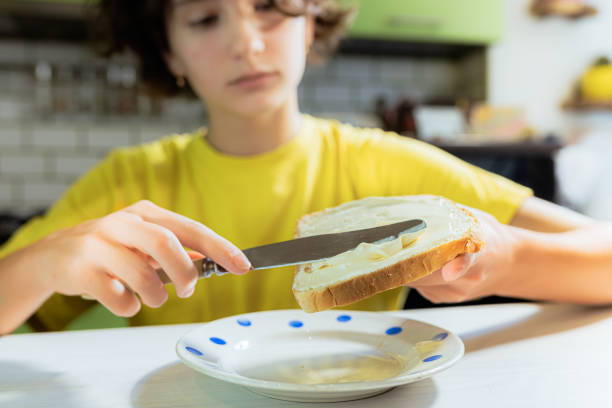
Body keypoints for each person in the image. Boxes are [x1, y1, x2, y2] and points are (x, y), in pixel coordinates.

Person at [0, 0, 610, 336]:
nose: (248, 42)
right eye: (206, 17)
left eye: (269, 6)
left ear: (310, 20)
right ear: (168, 50)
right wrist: (43, 259)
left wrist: (507, 257)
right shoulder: (127, 184)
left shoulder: (386, 167)